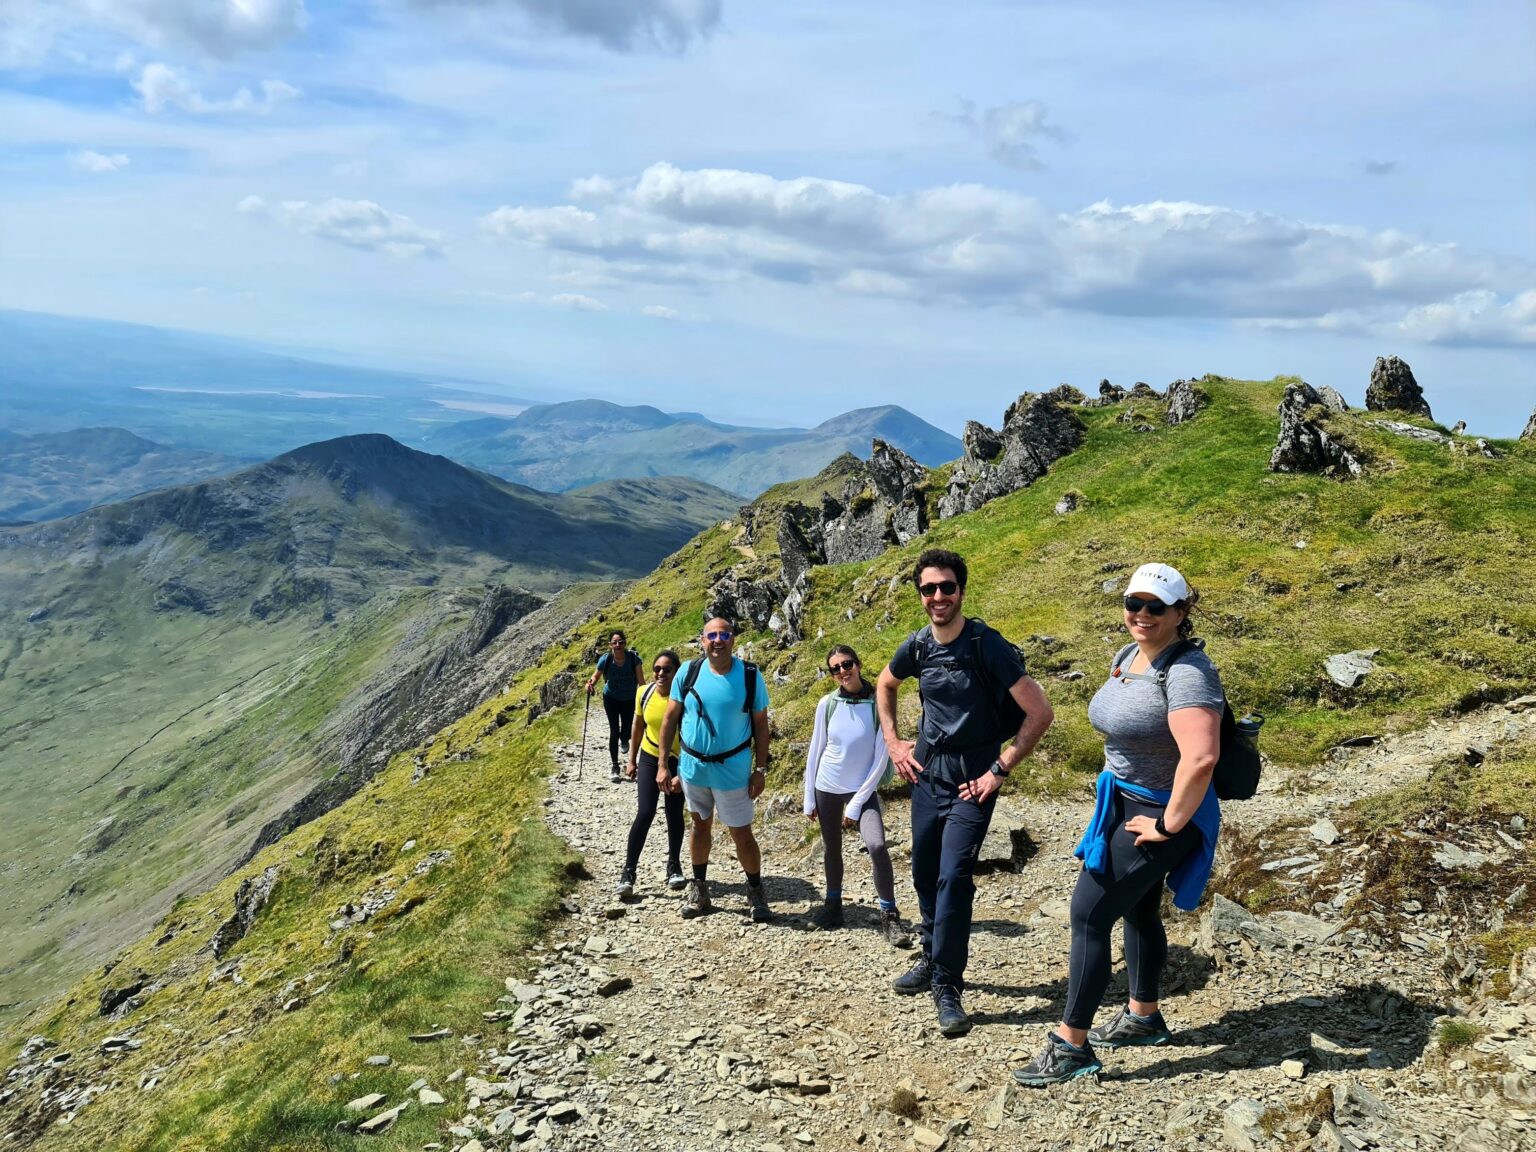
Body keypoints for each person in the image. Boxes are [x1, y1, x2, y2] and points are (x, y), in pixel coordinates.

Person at [1013, 562, 1223, 1087]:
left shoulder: (1189, 672)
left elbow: (1200, 759)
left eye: (1157, 607)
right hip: (1125, 803)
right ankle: (1143, 1016)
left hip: (1166, 811)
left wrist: (1169, 826)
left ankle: (1070, 1047)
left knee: (1087, 913)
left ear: (1181, 612)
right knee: (1137, 907)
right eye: (1135, 604)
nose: (1142, 615)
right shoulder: (1129, 656)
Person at [878, 548, 1054, 1037]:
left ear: (962, 591)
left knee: (954, 877)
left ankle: (948, 985)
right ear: (920, 595)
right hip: (927, 773)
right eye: (928, 589)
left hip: (973, 781)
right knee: (923, 872)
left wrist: (1000, 769)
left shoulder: (986, 645)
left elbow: (1040, 712)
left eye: (947, 587)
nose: (938, 597)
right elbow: (884, 684)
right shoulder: (917, 647)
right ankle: (933, 958)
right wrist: (894, 743)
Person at [657, 615, 773, 923]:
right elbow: (669, 719)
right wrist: (662, 765)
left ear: (733, 639)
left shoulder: (750, 675)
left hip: (733, 771)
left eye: (724, 635)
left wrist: (760, 769)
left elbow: (761, 725)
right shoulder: (688, 671)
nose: (718, 640)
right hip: (694, 768)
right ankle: (699, 889)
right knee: (699, 825)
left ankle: (755, 891)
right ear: (702, 641)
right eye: (712, 635)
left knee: (741, 833)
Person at [804, 645, 911, 948]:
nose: (842, 671)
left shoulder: (879, 703)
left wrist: (856, 803)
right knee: (830, 848)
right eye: (834, 668)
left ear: (859, 664)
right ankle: (833, 906)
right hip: (826, 786)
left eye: (846, 664)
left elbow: (881, 758)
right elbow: (816, 751)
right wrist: (808, 797)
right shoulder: (827, 704)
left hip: (861, 791)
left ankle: (889, 916)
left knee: (877, 845)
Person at [617, 650, 688, 899]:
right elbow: (638, 725)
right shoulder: (643, 692)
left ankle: (674, 866)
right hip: (650, 756)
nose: (660, 673)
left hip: (679, 760)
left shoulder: (685, 697)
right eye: (657, 668)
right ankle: (628, 871)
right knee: (645, 811)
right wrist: (631, 759)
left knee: (674, 812)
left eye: (667, 669)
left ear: (677, 672)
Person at [586, 630, 642, 783]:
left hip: (630, 699)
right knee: (614, 730)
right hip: (610, 698)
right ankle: (615, 766)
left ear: (625, 643)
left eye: (621, 642)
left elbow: (641, 682)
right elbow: (596, 676)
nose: (618, 645)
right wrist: (590, 684)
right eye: (615, 642)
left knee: (626, 730)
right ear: (610, 645)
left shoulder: (634, 659)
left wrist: (646, 698)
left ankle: (625, 739)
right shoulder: (606, 659)